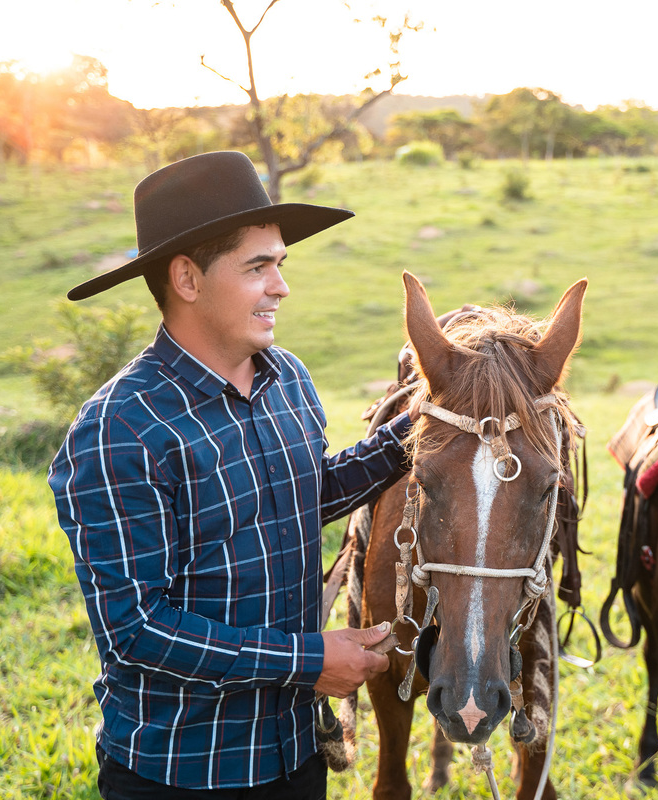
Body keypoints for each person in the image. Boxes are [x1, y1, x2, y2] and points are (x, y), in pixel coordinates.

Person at [48, 150, 416, 798]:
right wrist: (309, 661)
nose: (281, 286)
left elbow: (297, 499)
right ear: (187, 278)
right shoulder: (121, 429)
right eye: (257, 267)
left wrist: (412, 432)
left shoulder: (288, 379)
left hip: (296, 756)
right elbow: (136, 629)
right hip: (186, 772)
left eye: (280, 265)